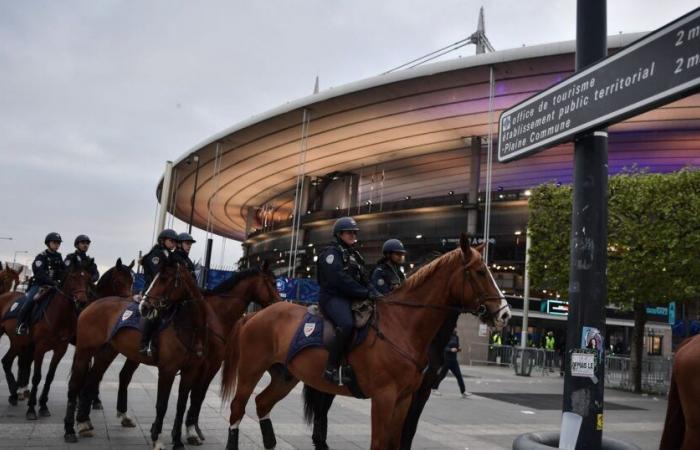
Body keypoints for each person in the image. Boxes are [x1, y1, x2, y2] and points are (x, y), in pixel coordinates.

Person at [316, 217, 382, 384]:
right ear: (339, 234)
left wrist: (374, 291)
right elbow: (338, 279)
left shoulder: (355, 254)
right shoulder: (331, 253)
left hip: (352, 297)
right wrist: (364, 292)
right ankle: (330, 367)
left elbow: (365, 278)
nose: (353, 235)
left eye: (354, 232)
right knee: (346, 324)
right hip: (333, 297)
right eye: (349, 232)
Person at [16, 233, 67, 336]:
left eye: (58, 243)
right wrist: (52, 282)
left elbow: (63, 271)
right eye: (54, 242)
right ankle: (21, 324)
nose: (57, 245)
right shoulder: (41, 257)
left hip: (55, 287)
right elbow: (39, 273)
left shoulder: (59, 257)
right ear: (48, 243)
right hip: (39, 285)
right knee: (30, 301)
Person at [138, 228, 178, 357]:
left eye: (175, 242)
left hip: (162, 290)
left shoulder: (167, 253)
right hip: (152, 289)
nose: (173, 244)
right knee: (153, 314)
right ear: (162, 240)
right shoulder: (156, 254)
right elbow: (158, 275)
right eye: (171, 241)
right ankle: (144, 344)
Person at [432, 329, 470, 398]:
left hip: (454, 360)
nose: (455, 329)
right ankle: (434, 388)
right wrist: (450, 349)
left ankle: (463, 391)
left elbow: (457, 346)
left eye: (456, 328)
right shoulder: (446, 336)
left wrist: (458, 349)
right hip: (446, 360)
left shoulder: (456, 337)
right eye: (454, 327)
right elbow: (444, 348)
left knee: (459, 376)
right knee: (442, 375)